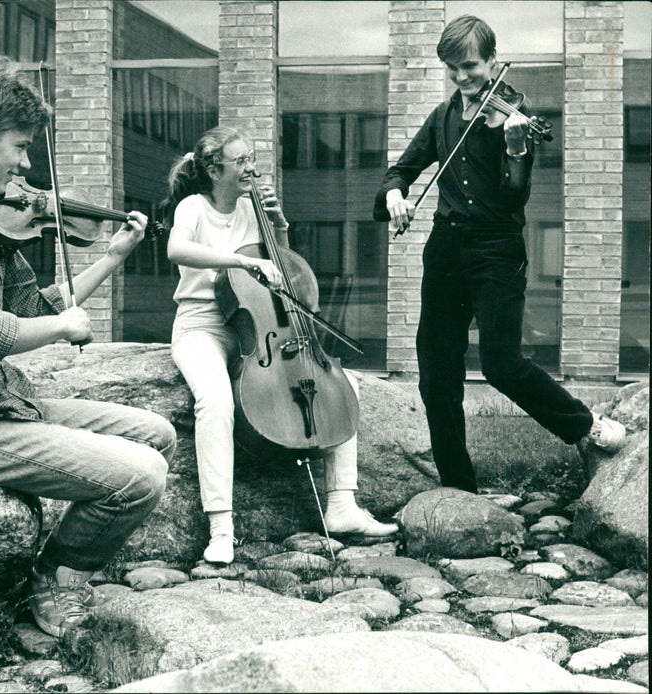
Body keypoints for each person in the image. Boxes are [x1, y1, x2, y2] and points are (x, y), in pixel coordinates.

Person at [0, 56, 177, 638]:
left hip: (7, 404)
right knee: (141, 474)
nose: (25, 162)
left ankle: (65, 547)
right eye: (19, 146)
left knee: (157, 434)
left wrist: (113, 255)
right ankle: (53, 576)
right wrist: (67, 328)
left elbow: (35, 311)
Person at [374, 15, 625, 494]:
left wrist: (513, 151)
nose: (462, 78)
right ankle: (458, 488)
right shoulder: (443, 117)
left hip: (496, 250)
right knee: (436, 374)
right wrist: (394, 195)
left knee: (501, 363)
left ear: (492, 61)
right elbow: (398, 171)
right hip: (445, 248)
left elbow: (514, 199)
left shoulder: (512, 119)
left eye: (469, 66)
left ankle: (583, 425)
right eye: (452, 69)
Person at [164, 125, 398, 565]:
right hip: (204, 326)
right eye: (241, 161)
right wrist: (241, 259)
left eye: (252, 158)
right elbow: (178, 250)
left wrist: (280, 227)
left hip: (264, 326)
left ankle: (342, 505)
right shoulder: (194, 207)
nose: (251, 168)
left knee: (343, 384)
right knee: (214, 403)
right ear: (216, 170)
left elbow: (284, 271)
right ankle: (221, 526)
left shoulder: (254, 210)